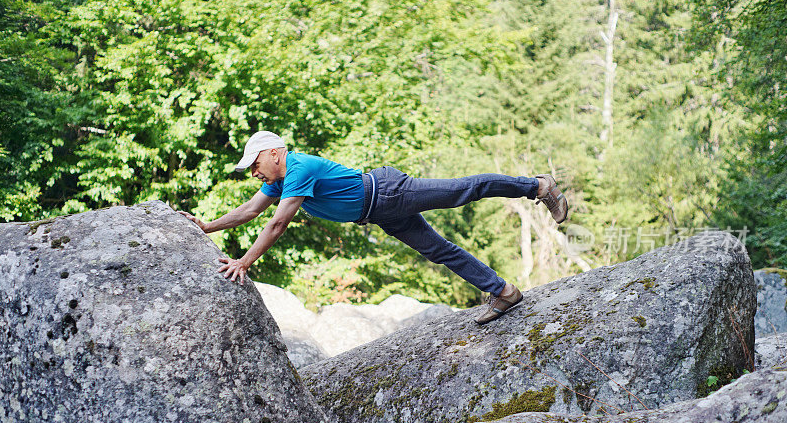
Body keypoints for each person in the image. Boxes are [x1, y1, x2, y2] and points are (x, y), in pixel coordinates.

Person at [178, 131, 568, 324]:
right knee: (438, 250)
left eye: (255, 164)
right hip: (380, 210)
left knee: (463, 190)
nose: (254, 173)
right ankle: (503, 292)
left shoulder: (297, 167)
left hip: (389, 191)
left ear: (275, 152)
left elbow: (278, 223)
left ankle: (537, 185)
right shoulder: (277, 180)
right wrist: (206, 227)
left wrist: (244, 262)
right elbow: (250, 210)